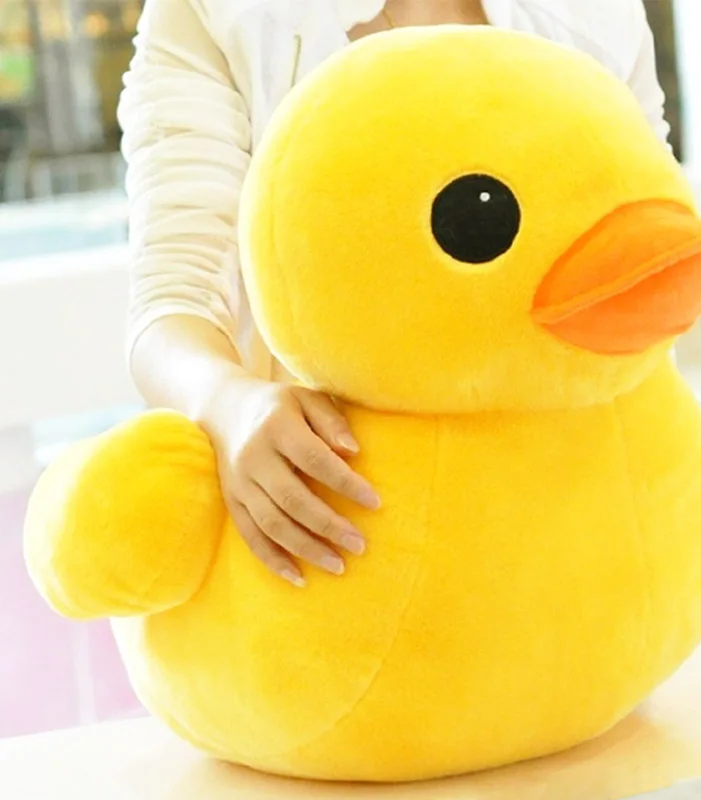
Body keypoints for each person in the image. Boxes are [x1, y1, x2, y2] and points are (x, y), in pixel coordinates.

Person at [119, 0, 671, 587]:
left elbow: (647, 255)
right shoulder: (219, 13)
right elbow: (172, 297)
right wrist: (227, 404)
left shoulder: (598, 16)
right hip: (336, 523)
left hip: (573, 520)